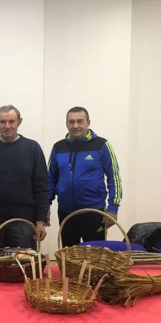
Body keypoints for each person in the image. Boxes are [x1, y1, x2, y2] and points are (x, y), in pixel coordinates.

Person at [0, 105, 49, 249]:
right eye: (3, 122)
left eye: (11, 121)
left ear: (19, 122)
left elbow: (42, 187)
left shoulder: (33, 149)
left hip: (24, 222)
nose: (7, 126)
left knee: (24, 267)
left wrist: (41, 220)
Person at [48, 106, 122, 247]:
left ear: (88, 122)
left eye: (80, 121)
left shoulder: (102, 145)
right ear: (66, 124)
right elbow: (49, 179)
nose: (75, 126)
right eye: (71, 122)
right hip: (66, 213)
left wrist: (113, 209)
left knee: (95, 259)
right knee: (69, 259)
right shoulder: (58, 147)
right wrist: (46, 205)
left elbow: (115, 177)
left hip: (94, 213)